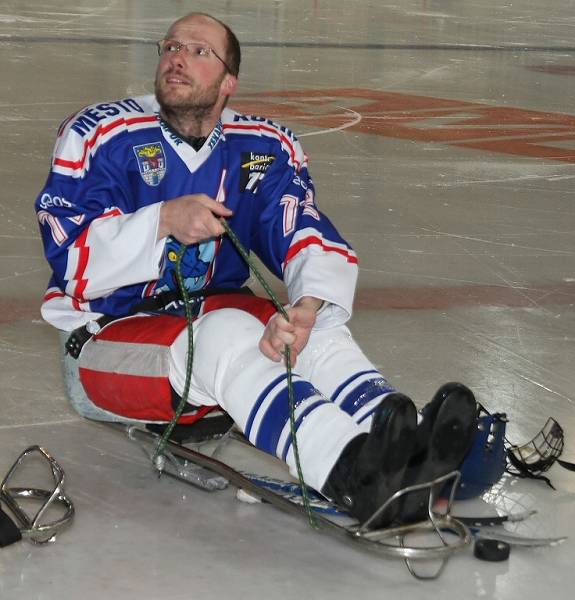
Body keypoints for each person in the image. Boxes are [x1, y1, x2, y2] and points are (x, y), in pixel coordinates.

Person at [35, 13, 477, 527]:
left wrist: (310, 302)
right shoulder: (101, 134)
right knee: (226, 335)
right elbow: (69, 258)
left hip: (212, 309)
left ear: (229, 82)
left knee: (299, 329)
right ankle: (352, 469)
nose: (178, 57)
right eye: (172, 46)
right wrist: (161, 220)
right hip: (107, 337)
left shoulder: (264, 147)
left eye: (200, 51)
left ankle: (407, 446)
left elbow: (302, 228)